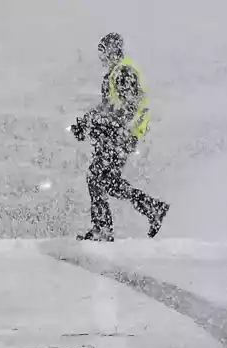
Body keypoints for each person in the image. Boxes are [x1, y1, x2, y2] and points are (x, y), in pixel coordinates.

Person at [70, 32, 169, 241]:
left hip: (121, 136)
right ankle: (152, 208)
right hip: (116, 135)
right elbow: (108, 106)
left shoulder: (123, 72)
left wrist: (102, 123)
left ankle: (103, 229)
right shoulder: (114, 74)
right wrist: (87, 122)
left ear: (113, 51)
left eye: (104, 53)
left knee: (97, 177)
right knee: (107, 181)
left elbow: (128, 107)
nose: (102, 59)